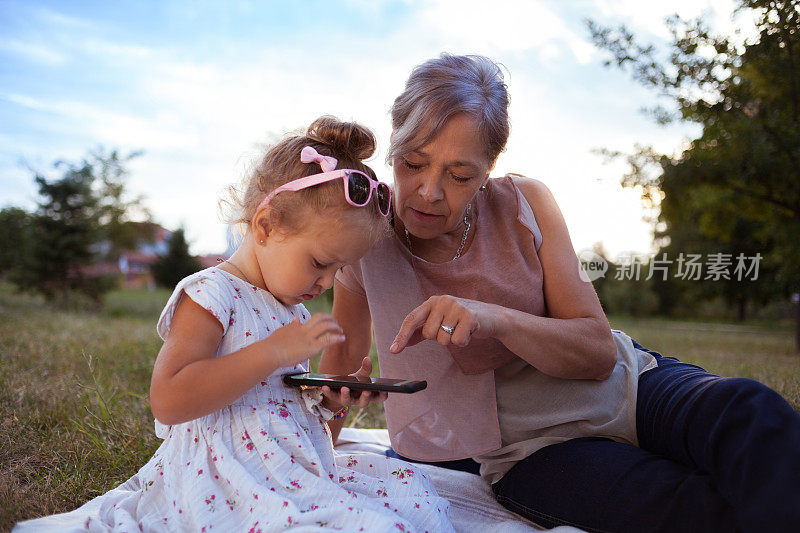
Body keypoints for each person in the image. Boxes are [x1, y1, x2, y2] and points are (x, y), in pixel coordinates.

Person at [319, 54, 800, 532]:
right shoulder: (366, 237)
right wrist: (314, 455)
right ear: (393, 149)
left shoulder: (527, 203)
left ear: (488, 170)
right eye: (412, 163)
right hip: (530, 453)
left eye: (459, 175)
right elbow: (340, 366)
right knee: (688, 507)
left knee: (752, 414)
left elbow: (596, 352)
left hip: (632, 391)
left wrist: (495, 319)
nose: (429, 191)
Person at [14, 117, 455, 533]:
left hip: (287, 468)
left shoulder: (290, 312)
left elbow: (293, 423)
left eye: (338, 270)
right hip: (222, 475)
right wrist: (272, 352)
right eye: (320, 263)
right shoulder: (212, 294)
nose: (325, 282)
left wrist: (334, 401)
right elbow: (168, 399)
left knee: (411, 501)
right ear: (265, 226)